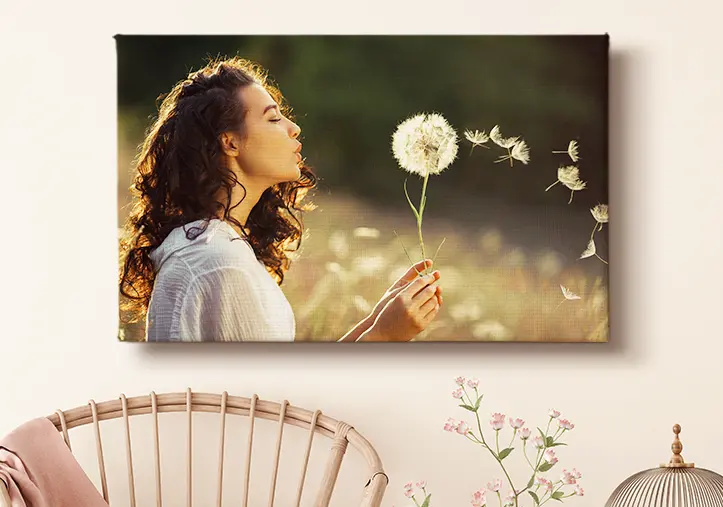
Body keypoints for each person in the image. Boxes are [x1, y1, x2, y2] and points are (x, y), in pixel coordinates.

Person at [118, 56, 443, 342]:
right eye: (273, 119)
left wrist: (374, 322)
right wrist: (384, 337)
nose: (294, 127)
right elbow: (276, 401)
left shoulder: (220, 247)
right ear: (230, 143)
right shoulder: (219, 263)